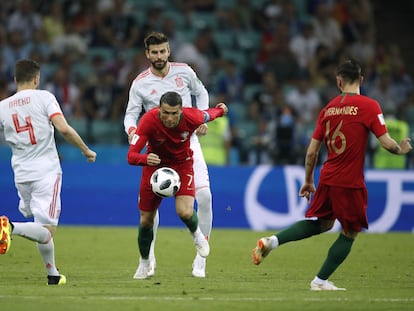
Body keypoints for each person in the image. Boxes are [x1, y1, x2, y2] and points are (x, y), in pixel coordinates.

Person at [252, 60, 412, 291]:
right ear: (362, 80)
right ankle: (320, 281)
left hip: (327, 176)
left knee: (324, 223)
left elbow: (311, 152)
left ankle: (272, 241)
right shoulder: (369, 106)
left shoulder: (328, 109)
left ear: (338, 81)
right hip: (349, 181)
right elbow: (386, 143)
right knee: (351, 231)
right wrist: (402, 149)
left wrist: (308, 180)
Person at [124, 31, 213, 278]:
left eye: (163, 51)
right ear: (147, 54)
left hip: (187, 141)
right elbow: (131, 115)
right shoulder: (140, 83)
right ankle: (148, 260)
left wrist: (201, 116)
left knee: (204, 197)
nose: (159, 56)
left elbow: (202, 92)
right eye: (154, 52)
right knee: (153, 207)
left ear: (169, 51)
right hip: (157, 148)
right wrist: (133, 133)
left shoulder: (184, 71)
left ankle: (200, 259)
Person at [0, 59, 96, 285]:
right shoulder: (45, 98)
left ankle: (53, 275)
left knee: (38, 223)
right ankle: (8, 226)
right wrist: (85, 150)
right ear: (36, 79)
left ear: (15, 80)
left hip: (20, 174)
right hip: (46, 172)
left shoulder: (3, 106)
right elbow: (63, 128)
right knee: (46, 230)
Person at [127, 91, 228, 279]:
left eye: (174, 113)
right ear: (159, 109)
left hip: (182, 165)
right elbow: (131, 155)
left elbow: (209, 114)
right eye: (166, 112)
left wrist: (221, 110)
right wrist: (144, 158)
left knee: (185, 212)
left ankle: (197, 236)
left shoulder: (191, 116)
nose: (170, 118)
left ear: (181, 110)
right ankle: (144, 262)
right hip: (154, 166)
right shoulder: (149, 120)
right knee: (145, 221)